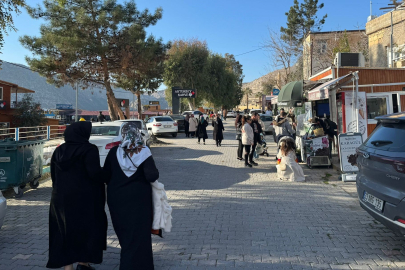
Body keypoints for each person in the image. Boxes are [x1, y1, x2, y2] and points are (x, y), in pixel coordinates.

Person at [47, 122, 107, 270]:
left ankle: (68, 267)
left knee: (64, 231)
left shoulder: (59, 151)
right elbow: (95, 174)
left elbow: (53, 175)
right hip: (85, 200)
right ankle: (83, 264)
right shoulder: (89, 149)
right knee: (86, 230)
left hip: (60, 199)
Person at [103, 123, 159, 270]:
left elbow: (105, 175)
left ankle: (127, 263)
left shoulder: (114, 152)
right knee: (140, 234)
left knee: (124, 233)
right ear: (138, 134)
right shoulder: (143, 151)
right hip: (139, 201)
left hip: (117, 200)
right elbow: (152, 175)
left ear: (123, 135)